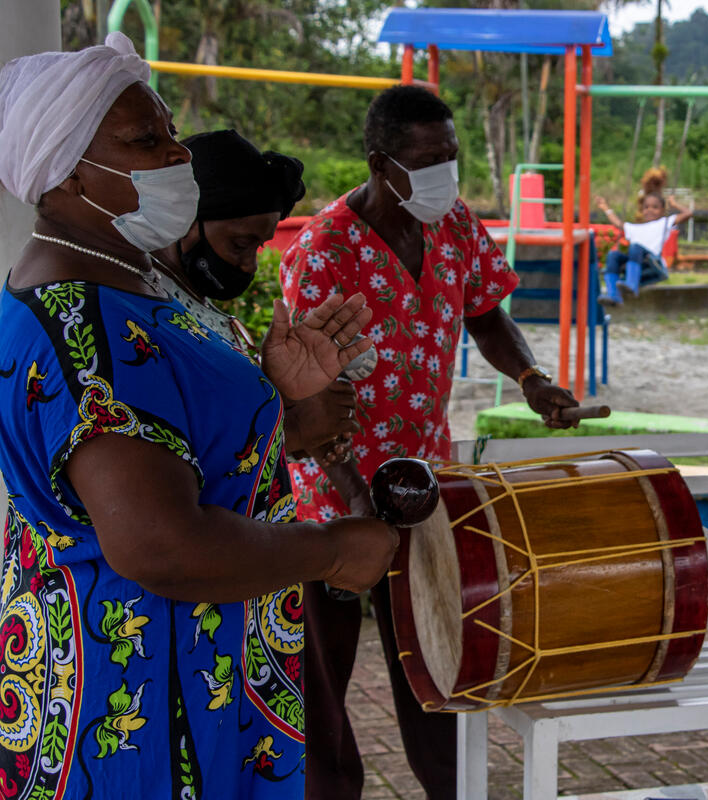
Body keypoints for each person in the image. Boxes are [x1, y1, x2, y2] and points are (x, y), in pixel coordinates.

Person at [0, 34, 398, 798]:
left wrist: (285, 411)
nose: (179, 156)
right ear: (69, 171)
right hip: (137, 712)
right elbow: (161, 545)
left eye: (172, 133)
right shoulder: (86, 324)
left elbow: (183, 458)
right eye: (145, 141)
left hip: (190, 683)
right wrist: (331, 548)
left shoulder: (125, 282)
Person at [280, 84, 579, 800]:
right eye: (427, 159)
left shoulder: (454, 224)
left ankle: (450, 789)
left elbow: (486, 314)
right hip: (335, 498)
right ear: (382, 164)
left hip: (424, 489)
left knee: (439, 669)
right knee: (324, 684)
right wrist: (352, 494)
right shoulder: (326, 250)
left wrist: (532, 377)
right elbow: (305, 388)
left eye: (452, 155)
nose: (446, 172)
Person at [152, 129, 358, 463]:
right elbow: (174, 460)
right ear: (185, 221)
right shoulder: (144, 314)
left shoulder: (199, 309)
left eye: (259, 246)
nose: (249, 264)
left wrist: (285, 394)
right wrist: (295, 430)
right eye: (240, 244)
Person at [595, 191, 692, 305]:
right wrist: (605, 208)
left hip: (652, 260)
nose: (649, 210)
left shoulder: (664, 223)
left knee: (635, 247)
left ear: (662, 211)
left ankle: (631, 285)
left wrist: (674, 204)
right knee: (613, 256)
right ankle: (614, 296)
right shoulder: (635, 228)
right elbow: (618, 223)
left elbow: (688, 213)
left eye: (655, 207)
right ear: (642, 210)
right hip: (635, 259)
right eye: (646, 207)